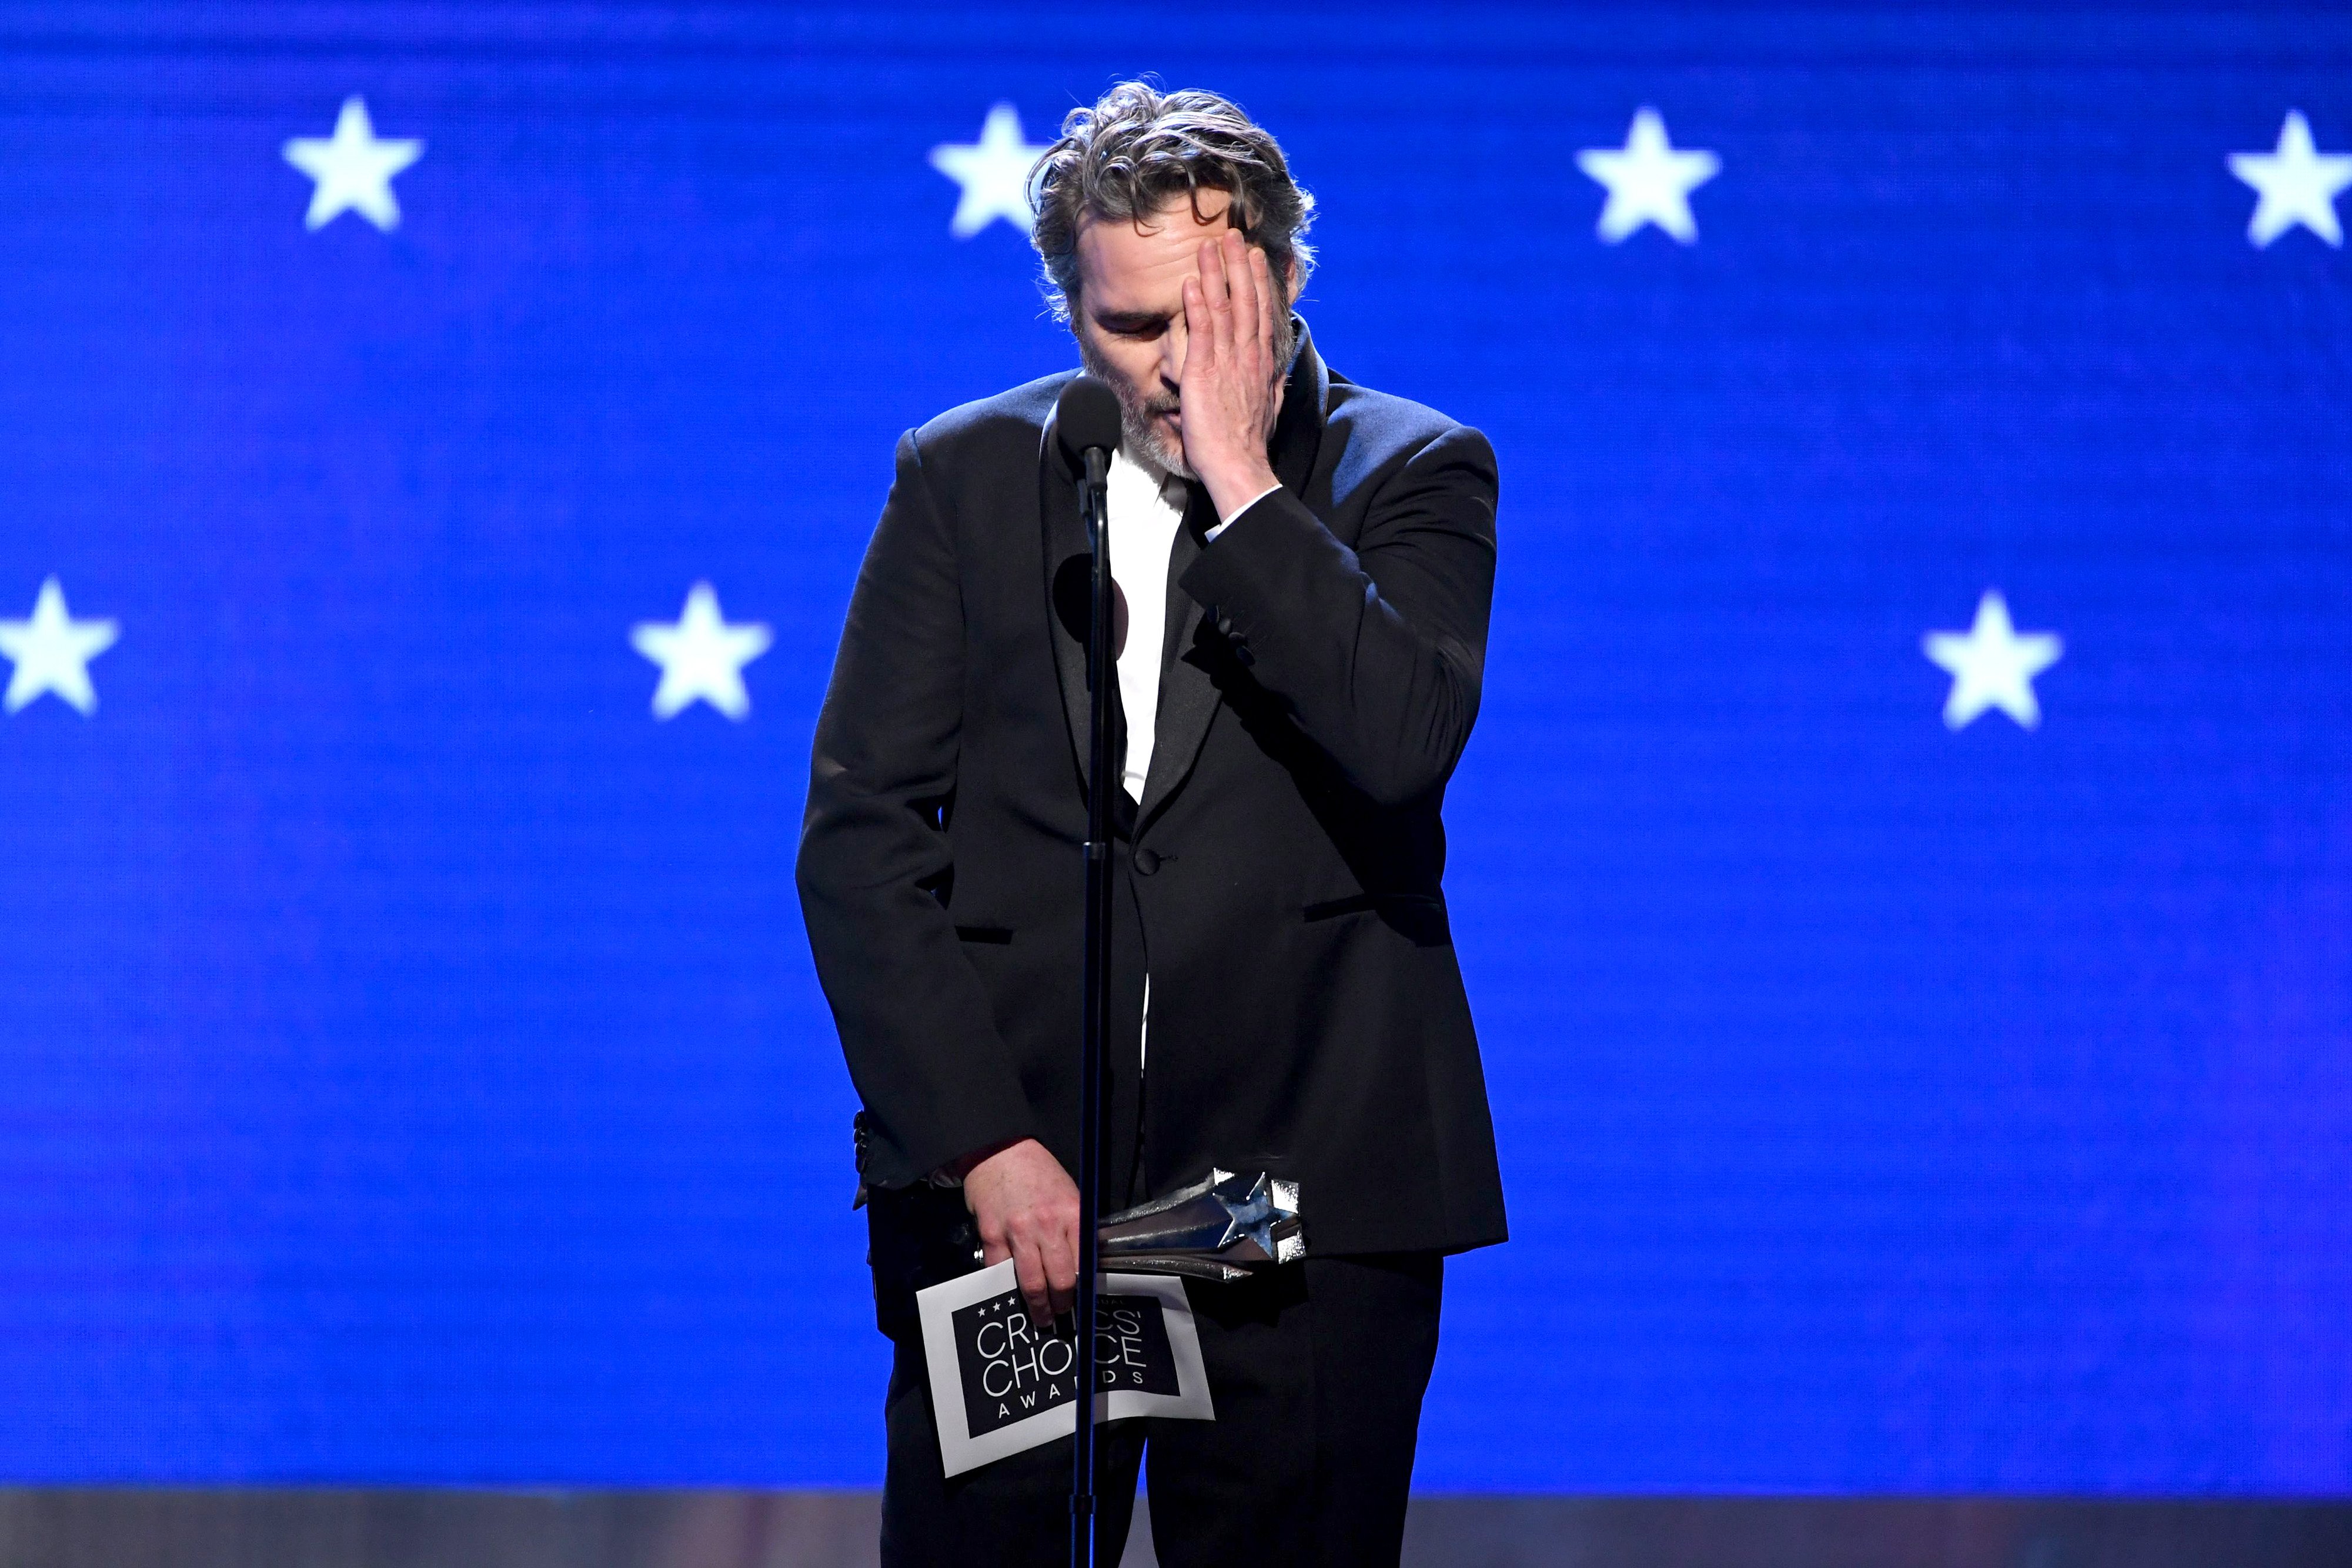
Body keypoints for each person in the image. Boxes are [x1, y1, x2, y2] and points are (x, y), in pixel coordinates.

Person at [797, 80, 1506, 1567]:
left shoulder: (1413, 472)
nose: (1176, 367)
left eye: (1211, 317)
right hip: (1024, 1223)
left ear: (1284, 278)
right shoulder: (964, 476)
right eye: (1130, 329)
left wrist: (1247, 484)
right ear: (1066, 307)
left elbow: (1399, 745)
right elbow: (862, 840)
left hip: (1297, 1224)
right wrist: (983, 1142)